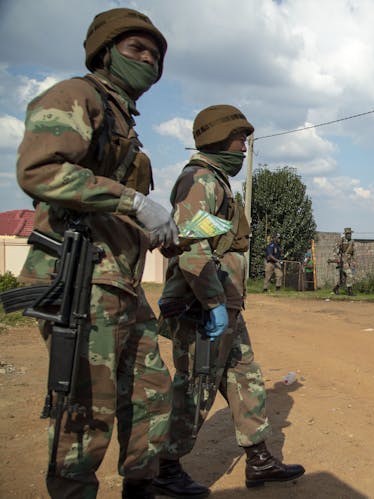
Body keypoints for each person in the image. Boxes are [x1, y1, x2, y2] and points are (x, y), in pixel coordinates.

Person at [15, 8, 178, 498]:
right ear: (104, 52)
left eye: (155, 54)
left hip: (120, 280)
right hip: (80, 279)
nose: (148, 60)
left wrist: (146, 228)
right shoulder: (76, 95)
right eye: (136, 49)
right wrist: (133, 202)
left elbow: (101, 200)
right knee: (87, 407)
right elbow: (39, 170)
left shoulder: (121, 118)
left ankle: (141, 486)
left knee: (151, 392)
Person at [153, 105, 305, 497]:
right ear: (217, 138)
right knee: (196, 385)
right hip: (203, 307)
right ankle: (164, 468)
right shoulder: (200, 180)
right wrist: (212, 303)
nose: (243, 148)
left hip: (223, 304)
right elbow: (190, 249)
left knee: (245, 377)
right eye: (240, 139)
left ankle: (259, 460)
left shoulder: (216, 181)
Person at [332, 227, 355, 296]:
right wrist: (337, 259)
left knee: (343, 279)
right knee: (350, 275)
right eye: (348, 233)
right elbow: (335, 251)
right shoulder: (341, 240)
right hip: (343, 261)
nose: (349, 235)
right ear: (345, 234)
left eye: (350, 233)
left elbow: (352, 252)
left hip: (349, 261)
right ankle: (350, 292)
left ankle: (335, 289)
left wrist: (354, 261)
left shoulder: (352, 241)